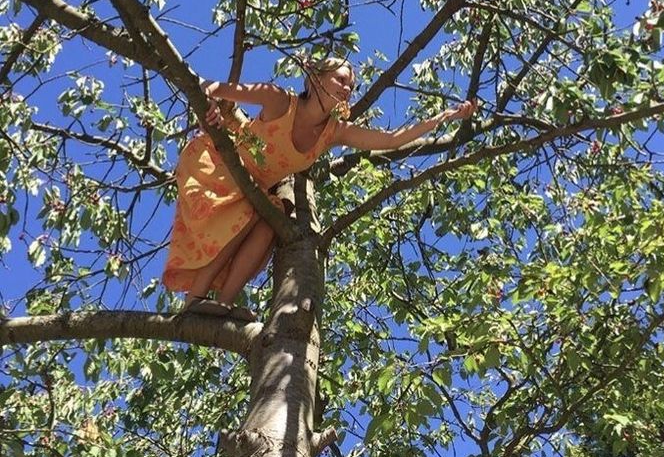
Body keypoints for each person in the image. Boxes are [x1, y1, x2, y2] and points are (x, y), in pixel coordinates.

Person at [163, 57, 477, 319]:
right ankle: (195, 300)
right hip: (222, 163)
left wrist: (445, 116)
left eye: (351, 86)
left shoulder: (333, 132)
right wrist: (212, 108)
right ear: (315, 78)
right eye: (341, 80)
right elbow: (212, 88)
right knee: (246, 214)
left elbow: (391, 140)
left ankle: (223, 303)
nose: (347, 89)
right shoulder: (278, 100)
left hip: (255, 188)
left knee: (270, 222)